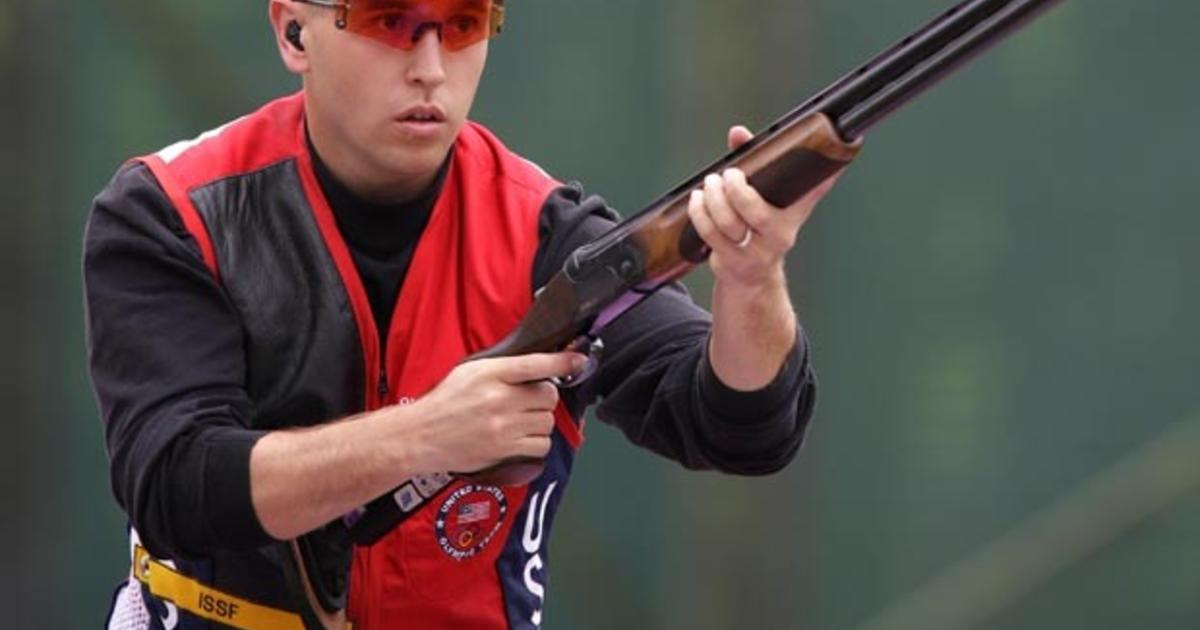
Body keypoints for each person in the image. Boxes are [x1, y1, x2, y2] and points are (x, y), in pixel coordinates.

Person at [84, 0, 842, 628]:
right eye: (390, 21)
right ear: (292, 30)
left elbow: (745, 427)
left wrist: (752, 276)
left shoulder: (547, 230)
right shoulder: (172, 211)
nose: (430, 65)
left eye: (464, 23)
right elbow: (177, 482)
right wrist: (424, 434)